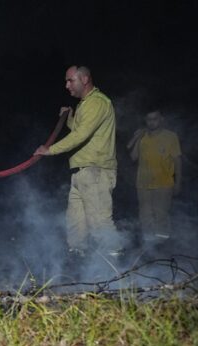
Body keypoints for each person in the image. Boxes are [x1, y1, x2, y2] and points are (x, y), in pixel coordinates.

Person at [34, 66, 125, 258]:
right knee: (76, 224)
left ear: (84, 79)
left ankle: (117, 266)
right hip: (81, 172)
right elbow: (79, 128)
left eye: (70, 80)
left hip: (96, 171)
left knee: (100, 223)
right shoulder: (84, 104)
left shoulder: (97, 102)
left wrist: (50, 150)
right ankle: (78, 263)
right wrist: (68, 117)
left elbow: (81, 135)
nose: (67, 86)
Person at [126, 111, 181, 241]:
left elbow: (177, 160)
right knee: (145, 216)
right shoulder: (143, 137)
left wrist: (178, 182)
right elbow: (133, 157)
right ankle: (149, 245)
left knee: (161, 215)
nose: (151, 121)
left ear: (161, 119)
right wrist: (137, 137)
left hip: (164, 183)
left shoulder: (171, 136)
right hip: (143, 184)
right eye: (148, 119)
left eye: (155, 119)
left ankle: (162, 244)